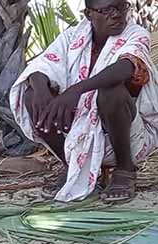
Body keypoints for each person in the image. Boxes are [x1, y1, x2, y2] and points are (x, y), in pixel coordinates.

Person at [10, 0, 158, 203]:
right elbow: (42, 65)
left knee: (111, 92)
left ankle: (125, 171)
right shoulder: (72, 36)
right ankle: (73, 166)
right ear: (88, 14)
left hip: (127, 137)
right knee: (31, 95)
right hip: (79, 136)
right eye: (107, 10)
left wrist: (75, 91)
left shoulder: (135, 33)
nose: (116, 15)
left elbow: (126, 66)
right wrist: (40, 89)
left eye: (121, 7)